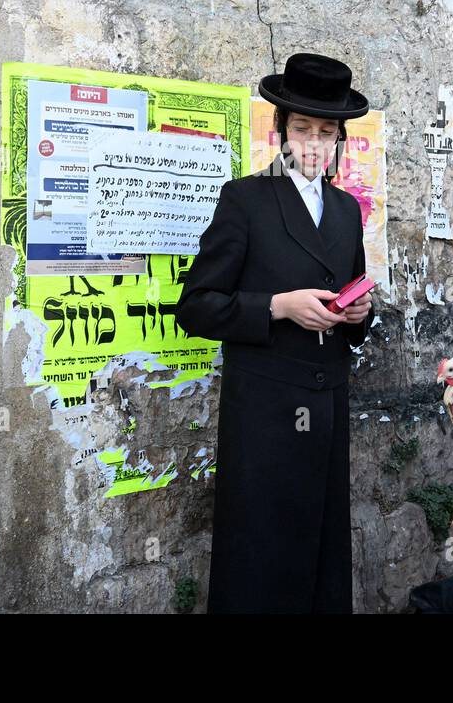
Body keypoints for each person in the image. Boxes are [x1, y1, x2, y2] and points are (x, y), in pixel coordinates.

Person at [175, 52, 374, 613]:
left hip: (327, 403)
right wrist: (278, 307)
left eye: (326, 132)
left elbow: (354, 295)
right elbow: (195, 307)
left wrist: (361, 316)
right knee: (261, 557)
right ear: (281, 133)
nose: (314, 144)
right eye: (302, 130)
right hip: (263, 413)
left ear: (339, 139)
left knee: (321, 557)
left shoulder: (345, 210)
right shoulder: (245, 201)